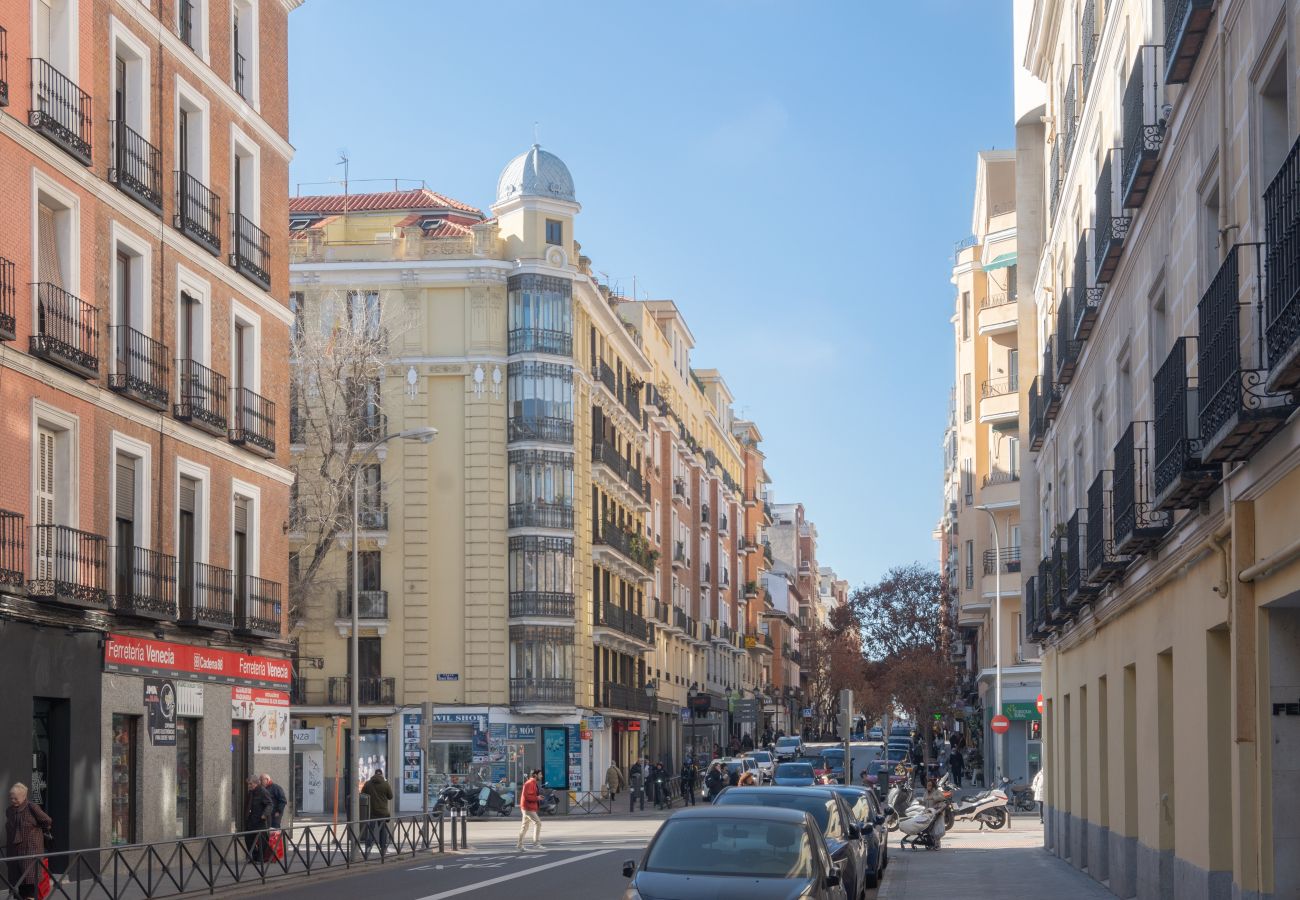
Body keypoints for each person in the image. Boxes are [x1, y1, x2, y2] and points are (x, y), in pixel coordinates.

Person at [5, 783, 52, 899]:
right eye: (11, 797)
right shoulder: (9, 810)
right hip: (15, 851)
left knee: (30, 882)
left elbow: (47, 820)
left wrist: (37, 831)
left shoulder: (32, 807)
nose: (13, 800)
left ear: (24, 796)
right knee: (18, 882)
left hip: (31, 850)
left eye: (16, 798)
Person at [361, 769, 393, 854]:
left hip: (371, 811)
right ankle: (383, 848)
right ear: (382, 775)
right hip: (382, 812)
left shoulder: (368, 784)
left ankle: (368, 847)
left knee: (370, 829)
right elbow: (390, 796)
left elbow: (362, 794)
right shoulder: (385, 784)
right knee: (382, 829)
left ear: (374, 774)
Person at [243, 777, 272, 862]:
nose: (249, 786)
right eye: (248, 784)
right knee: (248, 838)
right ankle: (254, 856)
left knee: (262, 841)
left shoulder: (263, 791)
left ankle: (260, 859)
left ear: (256, 783)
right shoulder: (251, 792)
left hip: (260, 821)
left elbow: (269, 804)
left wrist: (264, 815)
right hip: (251, 820)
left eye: (250, 784)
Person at [516, 769, 544, 851]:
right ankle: (536, 843)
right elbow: (527, 796)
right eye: (540, 774)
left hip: (527, 807)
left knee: (524, 827)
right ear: (535, 775)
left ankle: (519, 845)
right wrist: (537, 798)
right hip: (528, 807)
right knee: (538, 823)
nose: (541, 776)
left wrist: (537, 797)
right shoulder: (529, 783)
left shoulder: (532, 783)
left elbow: (529, 795)